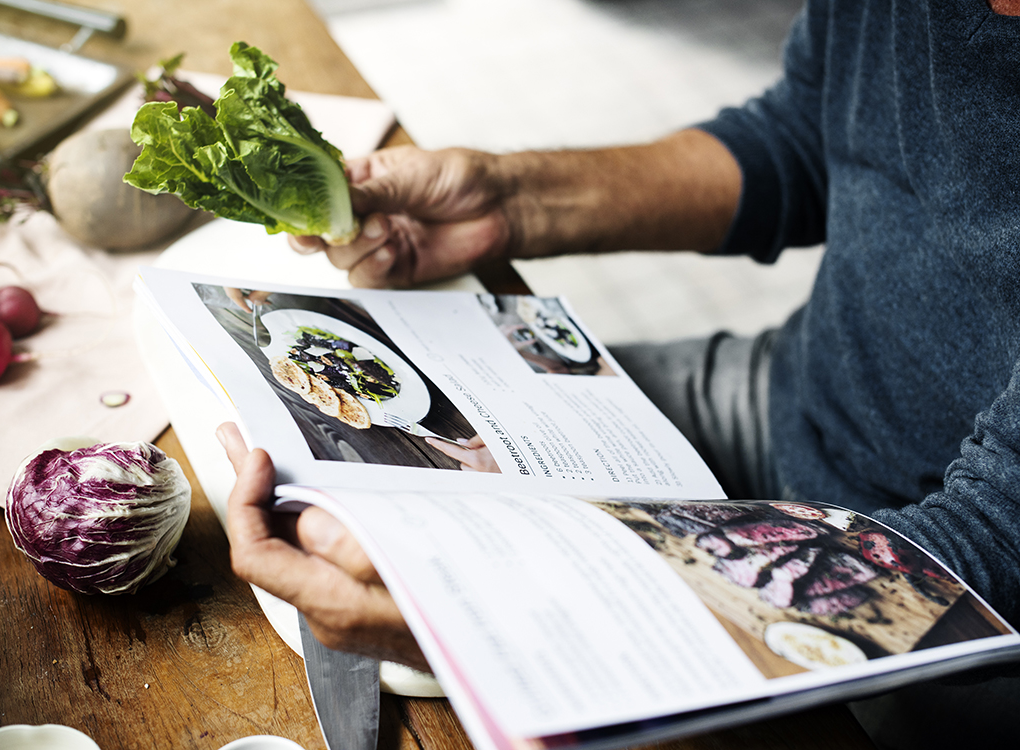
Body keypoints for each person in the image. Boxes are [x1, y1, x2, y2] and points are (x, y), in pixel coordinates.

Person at [222, 0, 1020, 745]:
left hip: (950, 596)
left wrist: (512, 614)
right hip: (798, 391)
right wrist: (506, 202)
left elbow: (985, 544)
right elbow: (811, 135)